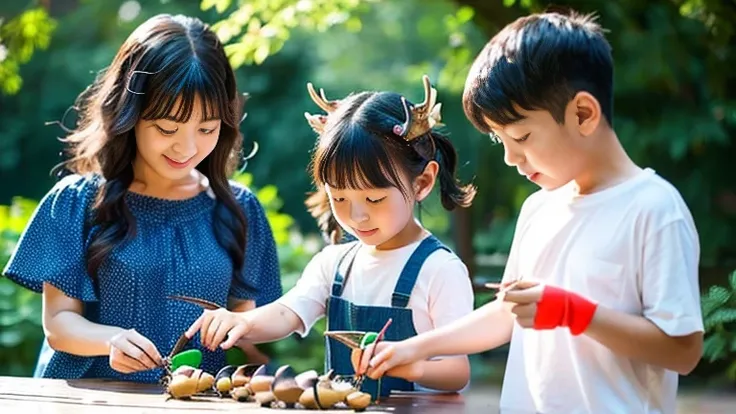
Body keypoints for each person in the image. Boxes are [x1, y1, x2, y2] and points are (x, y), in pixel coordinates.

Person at [353, 11, 704, 414]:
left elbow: (683, 351)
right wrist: (411, 348)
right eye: (499, 140)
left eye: (520, 136)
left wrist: (573, 312)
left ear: (583, 114)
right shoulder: (539, 207)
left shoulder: (654, 209)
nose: (509, 157)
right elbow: (506, 315)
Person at [2, 14, 282, 382]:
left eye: (207, 128)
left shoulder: (240, 209)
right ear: (128, 114)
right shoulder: (76, 202)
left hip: (196, 402)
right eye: (167, 128)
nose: (187, 147)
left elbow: (250, 325)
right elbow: (58, 323)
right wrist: (111, 339)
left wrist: (244, 328)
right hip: (88, 400)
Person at [184, 76, 477, 398]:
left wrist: (409, 363)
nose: (357, 216)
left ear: (422, 183)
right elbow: (288, 312)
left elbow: (456, 372)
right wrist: (243, 323)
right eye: (339, 198)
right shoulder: (335, 263)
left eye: (374, 199)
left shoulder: (440, 270)